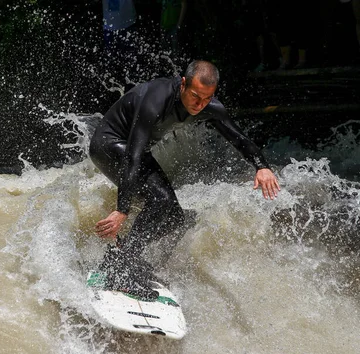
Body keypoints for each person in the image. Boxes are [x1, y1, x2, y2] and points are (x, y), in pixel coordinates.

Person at [89, 60, 280, 299]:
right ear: (182, 84)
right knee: (161, 201)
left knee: (175, 217)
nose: (199, 105)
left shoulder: (210, 106)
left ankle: (122, 255)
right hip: (110, 145)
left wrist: (262, 167)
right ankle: (122, 269)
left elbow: (238, 138)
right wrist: (122, 210)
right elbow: (133, 156)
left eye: (207, 98)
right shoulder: (156, 100)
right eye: (195, 96)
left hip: (133, 152)